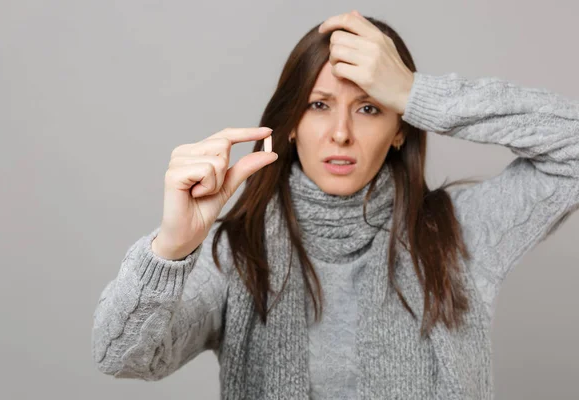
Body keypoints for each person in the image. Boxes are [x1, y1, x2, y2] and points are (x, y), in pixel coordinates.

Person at [91, 9, 579, 400]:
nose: (341, 133)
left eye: (369, 107)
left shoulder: (462, 230)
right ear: (291, 124)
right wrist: (171, 249)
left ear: (400, 128)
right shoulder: (236, 252)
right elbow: (123, 355)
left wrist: (415, 91)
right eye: (318, 105)